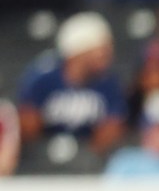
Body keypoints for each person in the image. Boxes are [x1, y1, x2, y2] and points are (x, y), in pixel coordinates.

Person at [16, 12, 125, 154]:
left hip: (91, 161)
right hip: (42, 155)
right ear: (80, 50)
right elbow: (27, 127)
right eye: (102, 49)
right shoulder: (43, 78)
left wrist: (88, 157)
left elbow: (112, 128)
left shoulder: (109, 83)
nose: (109, 54)